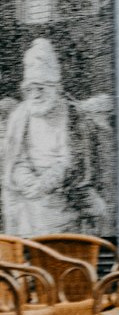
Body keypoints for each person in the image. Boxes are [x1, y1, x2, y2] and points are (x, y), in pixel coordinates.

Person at [0, 37, 108, 235]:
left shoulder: (73, 115)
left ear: (54, 87)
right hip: (28, 199)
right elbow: (15, 159)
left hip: (65, 197)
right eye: (30, 89)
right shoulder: (20, 115)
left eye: (41, 88)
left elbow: (72, 161)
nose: (35, 94)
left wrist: (45, 183)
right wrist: (27, 181)